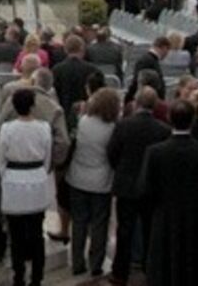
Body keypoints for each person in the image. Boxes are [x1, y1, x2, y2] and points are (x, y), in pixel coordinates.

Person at [140, 98, 198, 286]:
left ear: (169, 119)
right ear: (193, 120)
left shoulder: (155, 152)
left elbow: (145, 188)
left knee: (165, 269)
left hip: (165, 218)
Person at [107, 87, 171, 285]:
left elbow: (112, 152)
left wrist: (120, 170)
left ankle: (119, 273)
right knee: (151, 230)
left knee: (124, 230)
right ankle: (151, 270)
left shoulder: (123, 125)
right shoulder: (163, 129)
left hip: (126, 184)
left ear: (136, 103)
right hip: (151, 187)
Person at [0, 88, 52, 286]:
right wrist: (38, 173)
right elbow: (47, 158)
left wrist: (7, 176)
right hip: (36, 177)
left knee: (16, 234)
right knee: (37, 232)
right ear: (33, 105)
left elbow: (1, 159)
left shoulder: (7, 128)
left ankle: (18, 275)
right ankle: (37, 276)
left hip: (14, 179)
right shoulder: (44, 127)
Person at [67, 87, 118, 278]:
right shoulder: (113, 128)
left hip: (78, 177)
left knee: (79, 222)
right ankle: (96, 263)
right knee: (99, 223)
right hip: (102, 180)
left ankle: (77, 262)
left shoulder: (83, 121)